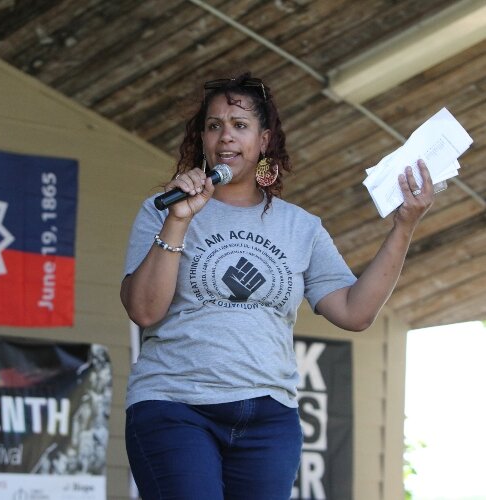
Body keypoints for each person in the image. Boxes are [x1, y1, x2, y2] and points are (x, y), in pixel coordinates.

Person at [120, 73, 433, 499]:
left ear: (264, 140)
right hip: (177, 406)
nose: (225, 136)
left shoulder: (300, 227)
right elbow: (143, 310)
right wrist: (179, 221)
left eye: (239, 125)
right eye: (214, 126)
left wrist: (404, 225)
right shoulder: (163, 211)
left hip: (269, 419)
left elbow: (355, 312)